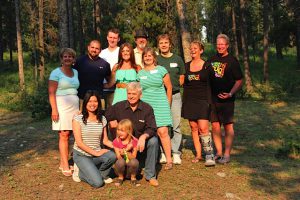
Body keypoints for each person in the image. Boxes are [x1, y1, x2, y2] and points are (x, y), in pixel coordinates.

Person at [105, 82, 159, 187]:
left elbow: (152, 128)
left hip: (140, 144)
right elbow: (105, 115)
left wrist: (144, 136)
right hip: (124, 144)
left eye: (134, 94)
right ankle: (121, 170)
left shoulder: (147, 108)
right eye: (129, 93)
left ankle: (150, 176)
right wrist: (85, 112)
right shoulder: (119, 106)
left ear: (140, 95)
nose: (131, 96)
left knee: (154, 141)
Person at [208, 34, 243, 164]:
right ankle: (218, 152)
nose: (220, 46)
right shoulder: (211, 60)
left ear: (227, 45)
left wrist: (230, 93)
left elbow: (239, 80)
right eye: (218, 44)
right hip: (213, 99)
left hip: (227, 100)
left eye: (223, 44)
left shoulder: (232, 61)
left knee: (228, 127)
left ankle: (227, 154)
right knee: (215, 126)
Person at [137, 47, 173, 170]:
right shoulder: (140, 74)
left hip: (161, 104)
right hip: (146, 107)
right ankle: (151, 159)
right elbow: (137, 91)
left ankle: (169, 159)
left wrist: (168, 104)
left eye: (150, 55)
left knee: (162, 132)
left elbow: (169, 88)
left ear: (154, 57)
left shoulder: (161, 70)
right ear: (143, 58)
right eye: (145, 56)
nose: (147, 57)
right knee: (149, 132)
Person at [72, 90, 117, 188]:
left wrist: (118, 147)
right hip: (82, 155)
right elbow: (79, 143)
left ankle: (100, 174)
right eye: (90, 101)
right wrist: (96, 153)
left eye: (95, 101)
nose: (93, 104)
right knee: (98, 183)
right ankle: (79, 172)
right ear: (85, 103)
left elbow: (105, 140)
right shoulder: (77, 119)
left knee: (112, 156)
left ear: (99, 103)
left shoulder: (102, 119)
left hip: (96, 154)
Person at [182, 41, 215, 166]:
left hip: (203, 100)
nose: (193, 50)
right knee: (193, 128)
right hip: (190, 100)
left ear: (201, 51)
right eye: (191, 48)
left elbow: (214, 82)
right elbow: (181, 82)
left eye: (195, 48)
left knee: (203, 128)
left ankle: (209, 155)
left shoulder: (207, 66)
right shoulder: (186, 66)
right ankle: (199, 155)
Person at [48, 48, 79, 176]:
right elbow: (51, 93)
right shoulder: (56, 73)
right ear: (61, 58)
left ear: (73, 59)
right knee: (64, 134)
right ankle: (66, 165)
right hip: (61, 106)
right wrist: (54, 109)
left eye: (70, 57)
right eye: (65, 56)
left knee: (71, 133)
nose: (68, 59)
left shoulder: (76, 72)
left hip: (74, 106)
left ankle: (62, 163)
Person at [157, 34, 185, 165]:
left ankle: (175, 152)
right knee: (162, 125)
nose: (163, 45)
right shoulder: (156, 60)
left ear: (170, 44)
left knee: (176, 124)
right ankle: (162, 152)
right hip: (160, 97)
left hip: (175, 95)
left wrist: (174, 87)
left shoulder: (177, 59)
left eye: (166, 42)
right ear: (158, 45)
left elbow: (181, 77)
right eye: (161, 43)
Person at [73, 40, 112, 109]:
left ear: (100, 50)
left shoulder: (105, 64)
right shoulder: (79, 61)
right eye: (92, 47)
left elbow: (110, 80)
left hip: (99, 99)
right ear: (88, 48)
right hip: (82, 98)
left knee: (99, 119)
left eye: (97, 48)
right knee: (82, 119)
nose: (94, 50)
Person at [113, 119, 140, 187]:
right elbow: (119, 157)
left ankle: (133, 178)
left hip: (130, 170)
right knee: (120, 162)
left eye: (122, 130)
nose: (119, 132)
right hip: (120, 169)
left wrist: (126, 151)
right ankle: (120, 178)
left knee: (134, 162)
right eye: (118, 130)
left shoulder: (134, 141)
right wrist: (127, 149)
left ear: (129, 131)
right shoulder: (116, 141)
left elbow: (134, 157)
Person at [100, 28, 120, 108]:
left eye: (115, 38)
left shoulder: (121, 52)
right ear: (107, 37)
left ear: (118, 39)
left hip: (118, 88)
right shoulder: (101, 53)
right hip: (103, 88)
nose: (112, 40)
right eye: (110, 37)